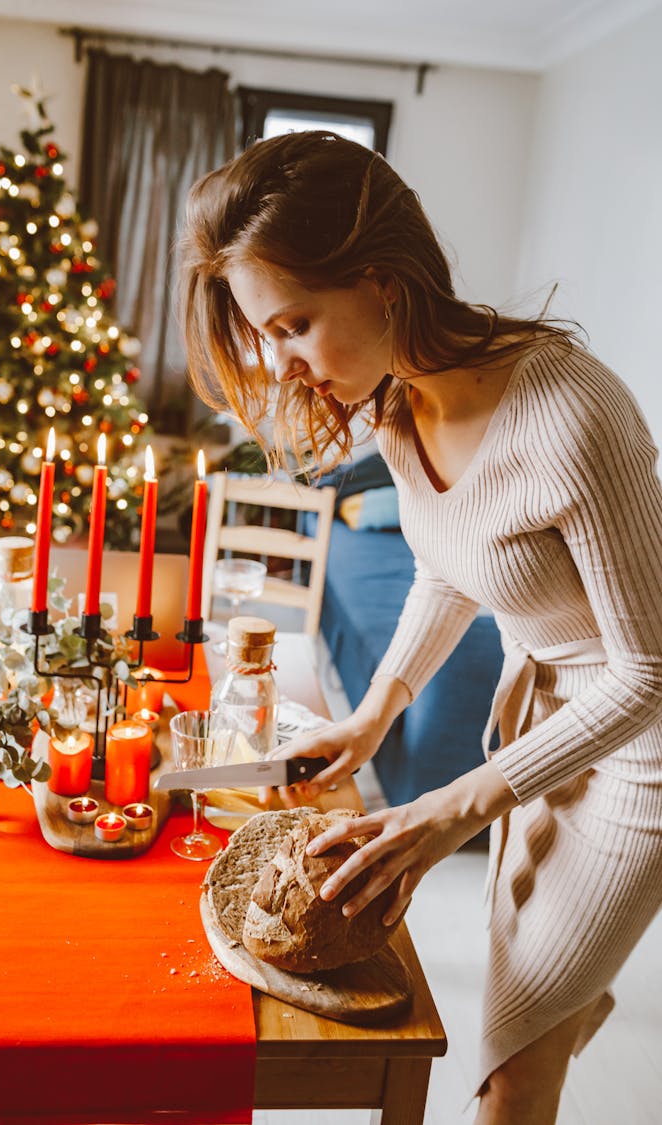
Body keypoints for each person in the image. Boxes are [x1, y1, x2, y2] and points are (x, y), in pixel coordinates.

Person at [178, 130, 662, 1125]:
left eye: (295, 324)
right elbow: (450, 566)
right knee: (536, 1004)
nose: (285, 363)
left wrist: (459, 805)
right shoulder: (398, 406)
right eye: (267, 336)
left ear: (382, 280)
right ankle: (566, 1007)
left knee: (511, 1062)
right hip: (538, 731)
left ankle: (554, 1021)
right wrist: (372, 716)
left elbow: (649, 672)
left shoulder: (573, 412)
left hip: (641, 754)